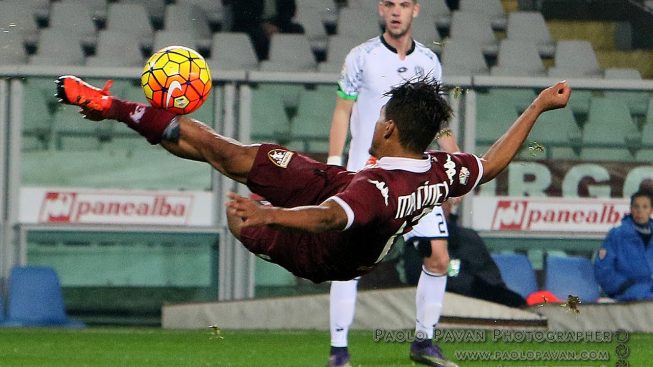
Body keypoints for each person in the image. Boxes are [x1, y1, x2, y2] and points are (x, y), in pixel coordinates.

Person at [55, 71, 569, 314]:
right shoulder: (441, 169)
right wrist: (539, 105)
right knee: (230, 154)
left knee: (229, 189)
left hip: (325, 254)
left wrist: (267, 219)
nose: (376, 122)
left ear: (389, 130)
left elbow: (326, 220)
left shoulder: (378, 188)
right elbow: (495, 162)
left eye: (381, 117)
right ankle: (112, 107)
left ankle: (120, 111)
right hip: (337, 185)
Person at [325, 1, 458, 366]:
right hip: (365, 176)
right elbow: (342, 109)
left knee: (438, 257)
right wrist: (336, 165)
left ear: (416, 9)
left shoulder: (429, 61)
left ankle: (424, 342)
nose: (396, 11)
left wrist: (453, 163)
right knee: (348, 263)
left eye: (403, 4)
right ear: (381, 10)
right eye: (389, 4)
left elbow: (439, 120)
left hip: (415, 176)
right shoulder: (361, 56)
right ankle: (339, 351)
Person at [594, 190, 653, 301]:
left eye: (645, 207)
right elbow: (603, 270)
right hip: (628, 296)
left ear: (651, 210)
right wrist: (624, 286)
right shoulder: (616, 235)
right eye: (636, 206)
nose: (640, 211)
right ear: (631, 209)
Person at [229, 0, 304, 60]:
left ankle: (289, 65)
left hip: (277, 24)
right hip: (250, 24)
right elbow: (241, 12)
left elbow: (290, 10)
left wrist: (276, 27)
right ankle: (263, 67)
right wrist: (263, 25)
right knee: (259, 37)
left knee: (297, 30)